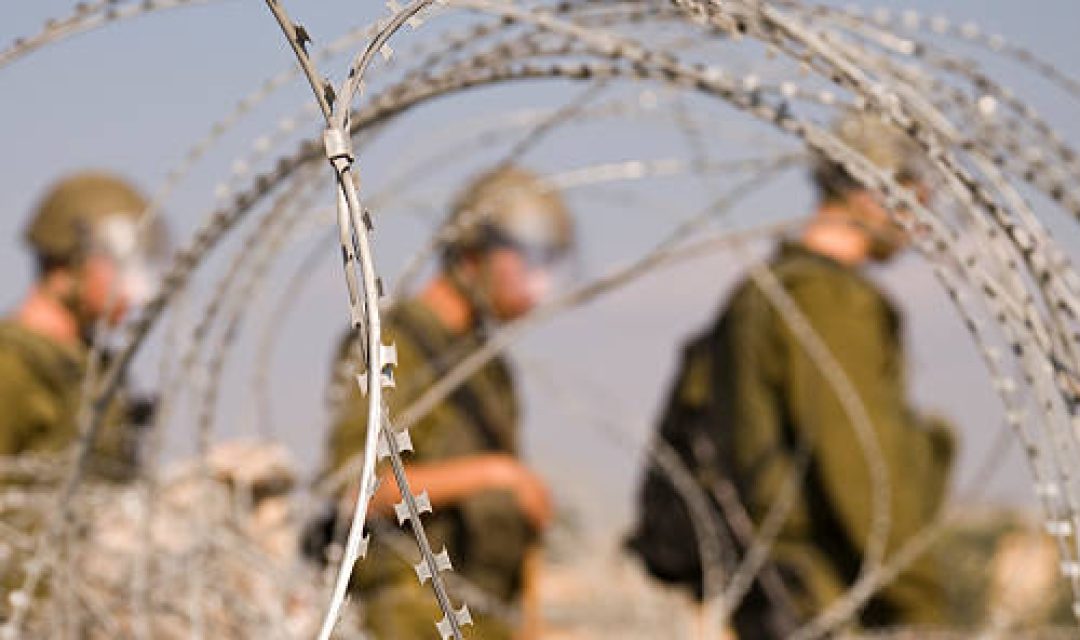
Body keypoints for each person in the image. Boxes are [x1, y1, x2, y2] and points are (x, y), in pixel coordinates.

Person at [631, 113, 956, 637]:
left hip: (771, 590)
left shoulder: (760, 293)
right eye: (913, 192)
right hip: (819, 593)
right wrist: (919, 601)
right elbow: (862, 466)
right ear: (871, 192)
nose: (923, 215)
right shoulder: (829, 300)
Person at [317, 166, 574, 639]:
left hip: (482, 616)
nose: (537, 284)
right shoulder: (394, 342)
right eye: (527, 262)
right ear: (474, 253)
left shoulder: (489, 368)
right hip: (408, 614)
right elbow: (355, 486)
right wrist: (495, 474)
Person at [0, 171, 166, 616]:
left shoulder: (96, 367)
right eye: (121, 265)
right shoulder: (14, 363)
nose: (135, 286)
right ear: (67, 265)